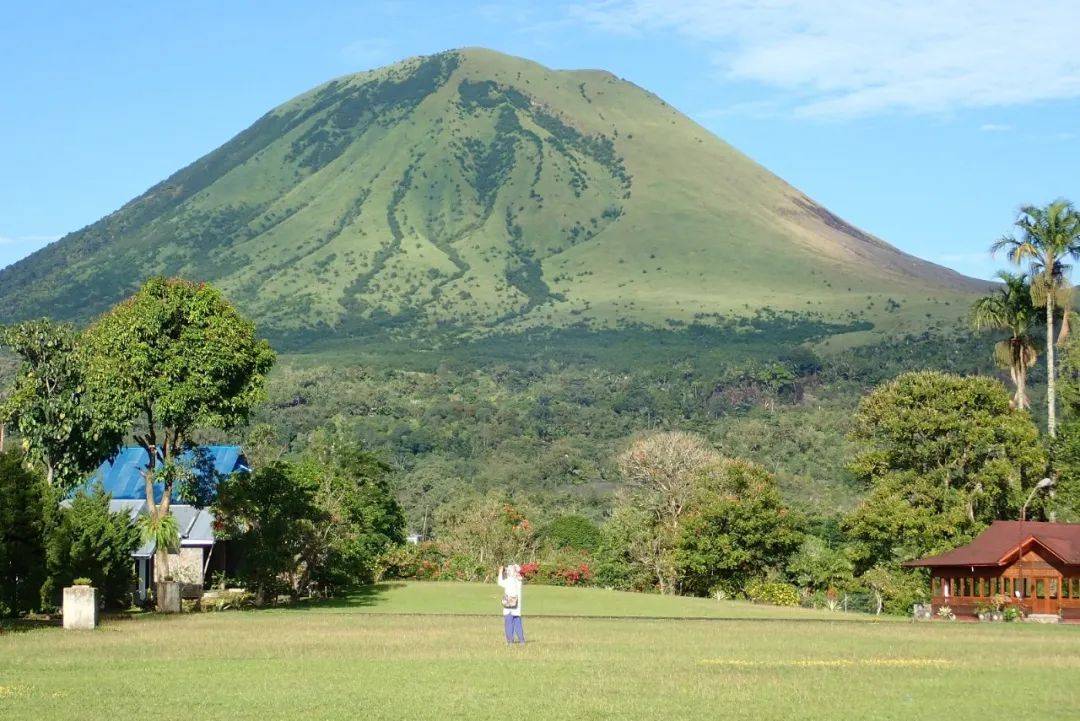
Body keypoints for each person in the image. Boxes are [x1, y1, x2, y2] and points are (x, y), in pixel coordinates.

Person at [497, 564, 525, 644]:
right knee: (517, 623)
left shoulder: (509, 580)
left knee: (508, 623)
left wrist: (500, 572)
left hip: (509, 607)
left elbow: (500, 582)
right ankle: (521, 640)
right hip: (517, 607)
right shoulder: (518, 581)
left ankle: (510, 641)